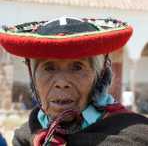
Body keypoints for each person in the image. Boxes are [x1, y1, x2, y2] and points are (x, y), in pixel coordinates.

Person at [0, 17, 148, 146]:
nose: (62, 82)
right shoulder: (27, 136)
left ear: (100, 75)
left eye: (77, 67)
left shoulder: (135, 136)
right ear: (32, 76)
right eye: (49, 68)